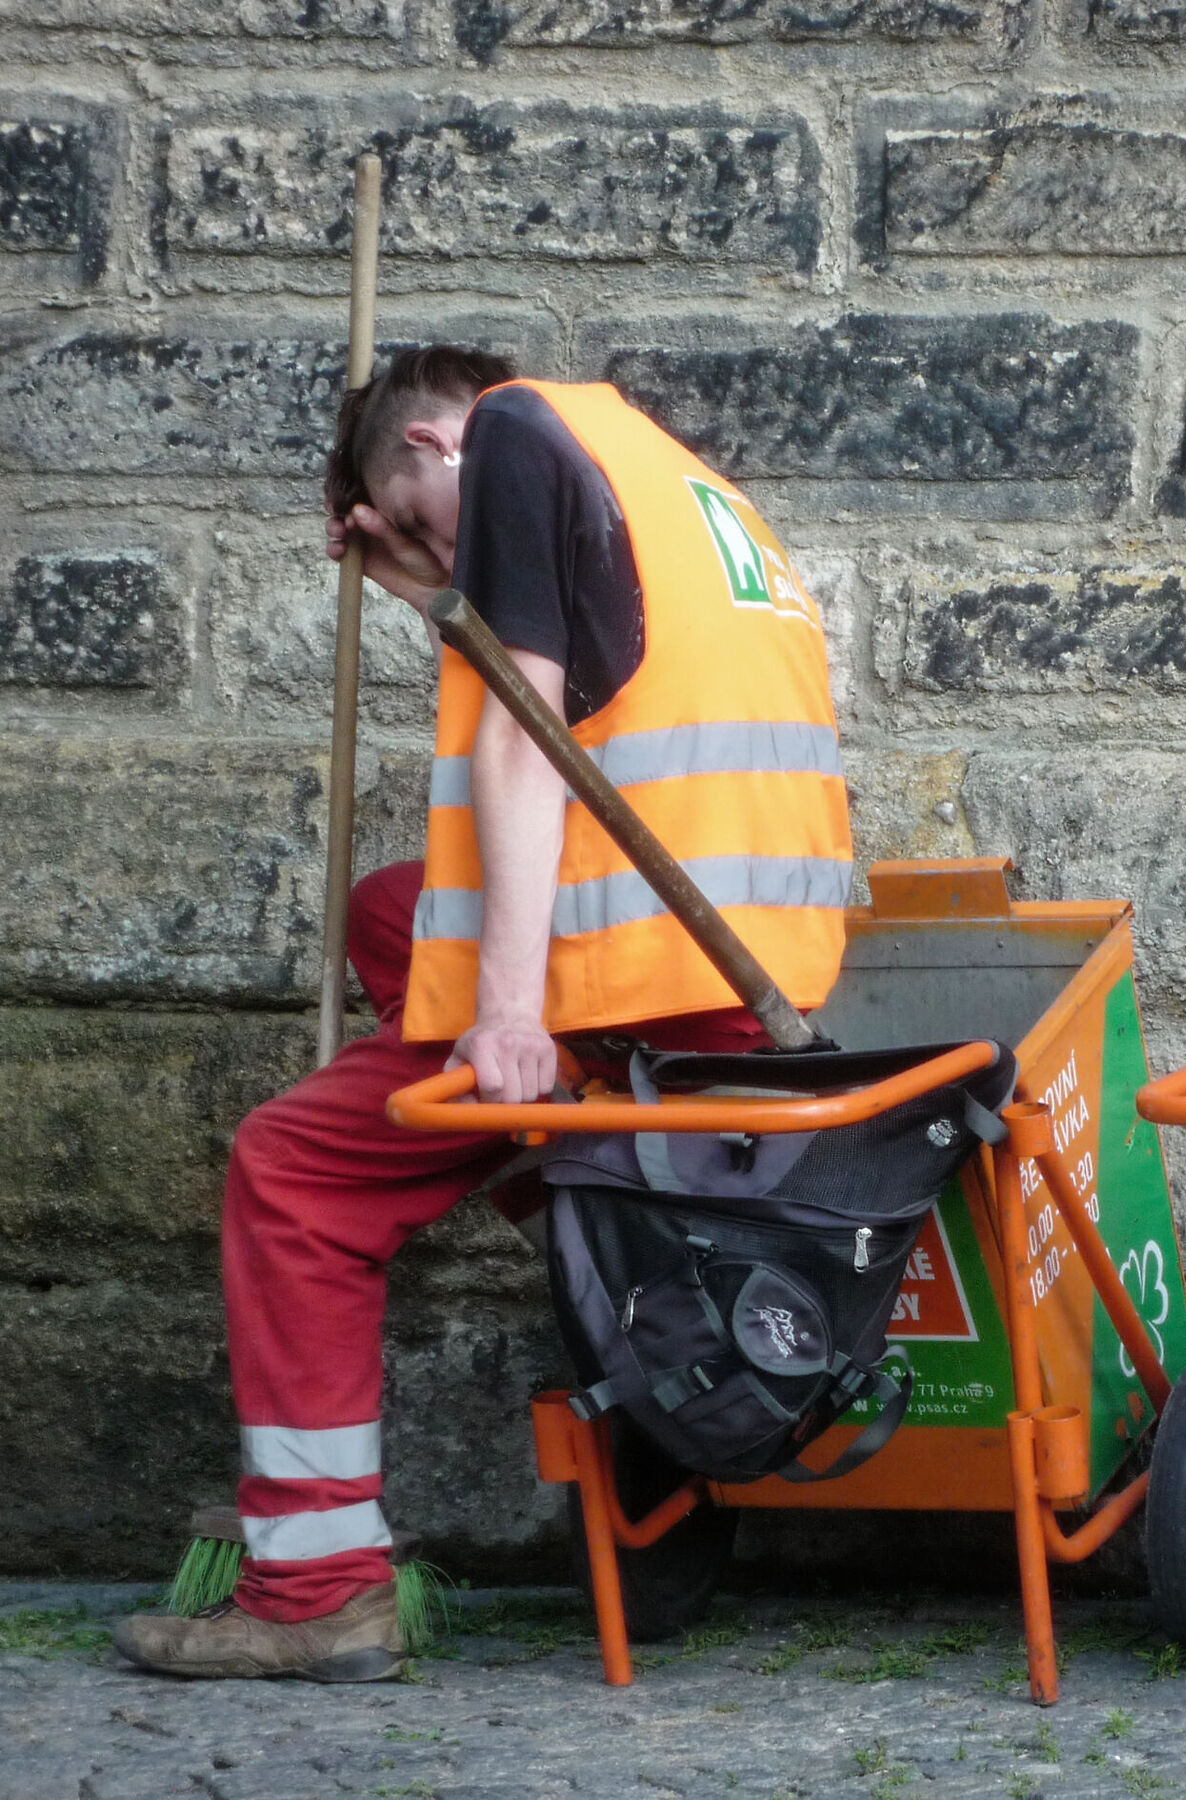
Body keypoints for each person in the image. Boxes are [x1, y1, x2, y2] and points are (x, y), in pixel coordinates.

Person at [112, 348, 853, 1681]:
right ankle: (552, 1165)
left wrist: (509, 1012)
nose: (438, 550)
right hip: (745, 963)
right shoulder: (660, 468)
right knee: (393, 909)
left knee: (290, 1172)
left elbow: (524, 739)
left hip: (643, 992)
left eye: (419, 519)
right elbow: (597, 692)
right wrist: (428, 588)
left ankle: (316, 1589)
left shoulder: (506, 437)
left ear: (436, 451)